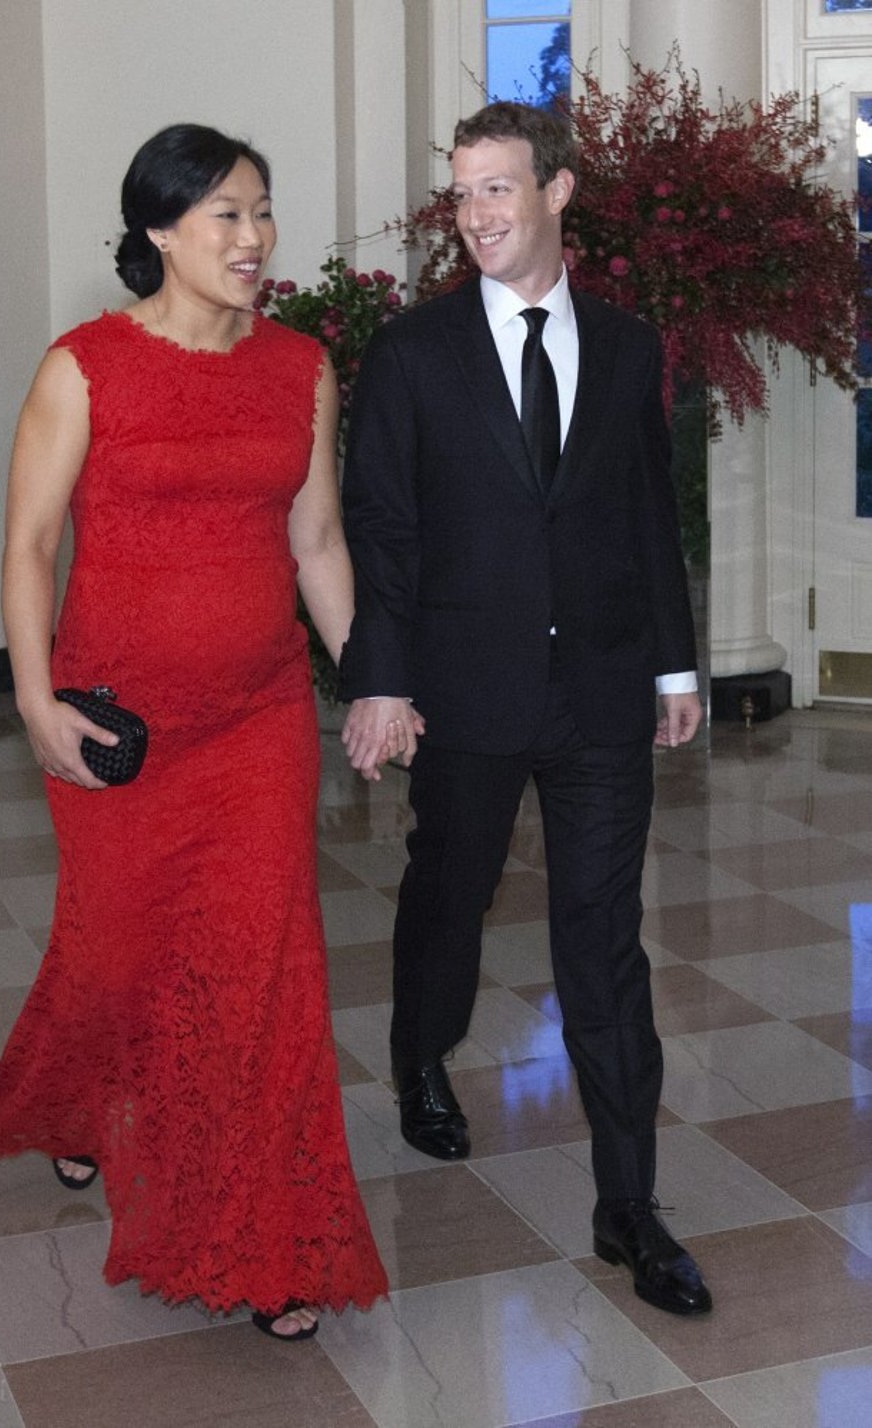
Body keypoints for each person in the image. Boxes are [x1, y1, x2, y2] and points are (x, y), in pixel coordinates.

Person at [0, 123, 390, 1340]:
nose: (254, 240)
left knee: (258, 977)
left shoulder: (300, 367)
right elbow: (31, 547)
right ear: (157, 232)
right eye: (225, 217)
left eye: (262, 212)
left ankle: (261, 1241)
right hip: (118, 726)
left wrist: (370, 677)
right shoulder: (83, 366)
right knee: (118, 955)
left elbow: (316, 544)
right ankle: (85, 1096)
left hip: (256, 721)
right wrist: (36, 700)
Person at [339, 101, 712, 1317]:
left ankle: (628, 1205)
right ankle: (420, 1056)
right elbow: (384, 535)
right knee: (450, 889)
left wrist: (672, 665)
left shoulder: (625, 342)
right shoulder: (412, 355)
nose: (477, 215)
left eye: (498, 189)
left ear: (558, 192)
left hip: (601, 687)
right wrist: (380, 681)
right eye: (461, 194)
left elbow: (645, 514)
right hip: (465, 689)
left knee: (601, 939)